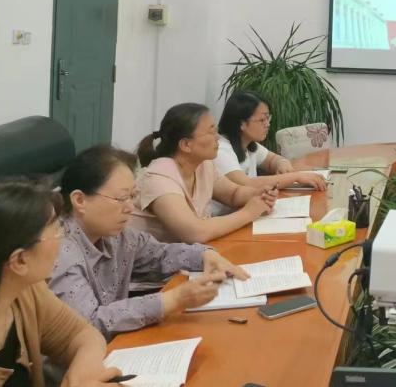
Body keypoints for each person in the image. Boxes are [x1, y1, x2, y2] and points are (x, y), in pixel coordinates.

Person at [0, 177, 120, 386]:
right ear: (19, 260)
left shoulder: (24, 291)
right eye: (56, 230)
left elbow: (82, 334)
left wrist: (81, 375)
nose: (62, 239)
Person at [50, 145, 251, 338]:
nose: (130, 207)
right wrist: (173, 299)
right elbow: (89, 324)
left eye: (132, 196)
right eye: (121, 198)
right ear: (80, 200)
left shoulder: (117, 236)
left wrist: (204, 255)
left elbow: (159, 255)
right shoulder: (59, 252)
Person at [130, 103, 277, 243]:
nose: (217, 137)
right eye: (211, 132)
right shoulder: (159, 178)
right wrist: (249, 213)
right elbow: (195, 232)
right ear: (186, 144)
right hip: (150, 259)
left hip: (186, 252)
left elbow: (233, 194)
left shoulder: (203, 165)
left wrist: (258, 194)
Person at [214, 92, 327, 193]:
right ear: (241, 124)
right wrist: (296, 177)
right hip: (233, 210)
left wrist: (282, 163)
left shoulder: (249, 144)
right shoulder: (221, 150)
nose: (267, 124)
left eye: (268, 118)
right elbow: (247, 184)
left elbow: (272, 160)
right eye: (262, 120)